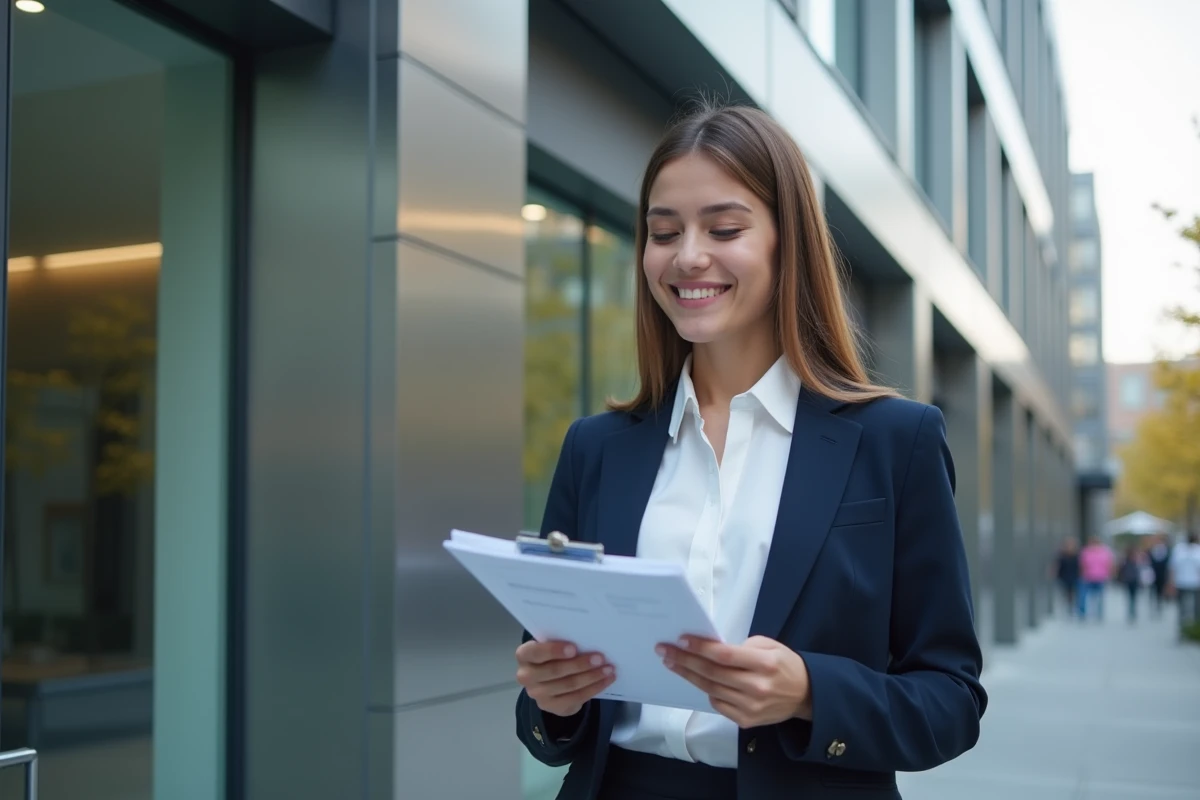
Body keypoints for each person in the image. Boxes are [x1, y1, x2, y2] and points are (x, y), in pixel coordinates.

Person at [513, 102, 987, 800]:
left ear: (785, 243)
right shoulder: (597, 448)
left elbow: (950, 701)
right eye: (663, 232)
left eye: (725, 228)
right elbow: (546, 716)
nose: (688, 256)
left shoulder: (896, 441)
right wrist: (553, 702)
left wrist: (809, 692)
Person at [1169, 533, 1200, 635]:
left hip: (1191, 582)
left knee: (1195, 607)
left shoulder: (1193, 549)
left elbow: (1173, 568)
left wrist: (1171, 582)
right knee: (1183, 607)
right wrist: (1172, 582)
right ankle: (1184, 629)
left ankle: (1192, 629)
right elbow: (1173, 567)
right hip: (1185, 582)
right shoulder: (1180, 549)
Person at [1076, 536, 1113, 621]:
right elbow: (1082, 565)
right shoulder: (1085, 552)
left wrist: (1109, 575)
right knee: (1083, 597)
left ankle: (1099, 614)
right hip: (1087, 577)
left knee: (1099, 597)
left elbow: (1109, 564)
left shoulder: (1104, 552)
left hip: (1100, 577)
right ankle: (1082, 613)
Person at [1116, 545, 1144, 623]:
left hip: (1134, 581)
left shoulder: (1137, 561)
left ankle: (1133, 612)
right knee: (1129, 597)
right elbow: (1121, 570)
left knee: (1134, 598)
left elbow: (1140, 572)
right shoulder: (1125, 561)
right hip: (1128, 581)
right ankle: (1130, 612)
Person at [1147, 534, 1172, 618]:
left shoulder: (1167, 550)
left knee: (1160, 590)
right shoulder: (1152, 550)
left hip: (1162, 574)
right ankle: (1153, 605)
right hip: (1153, 574)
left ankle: (1159, 605)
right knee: (1153, 590)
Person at [1055, 537, 1080, 617]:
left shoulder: (1077, 555)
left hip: (1074, 576)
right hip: (1064, 577)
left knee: (1073, 593)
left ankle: (1072, 607)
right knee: (1066, 592)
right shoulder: (1062, 555)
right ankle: (1068, 606)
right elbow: (1058, 565)